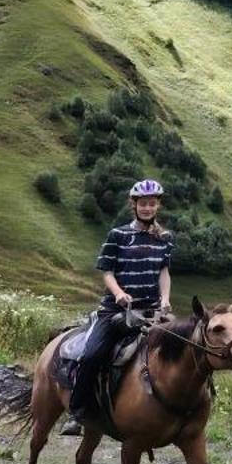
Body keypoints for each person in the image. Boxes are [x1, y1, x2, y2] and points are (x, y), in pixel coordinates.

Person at [68, 178, 174, 423]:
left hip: (151, 311)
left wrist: (166, 298)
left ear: (158, 206)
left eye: (152, 203)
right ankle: (77, 410)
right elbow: (107, 271)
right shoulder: (118, 235)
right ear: (134, 205)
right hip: (116, 311)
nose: (147, 208)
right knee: (92, 354)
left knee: (185, 347)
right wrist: (118, 293)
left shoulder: (165, 238)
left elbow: (164, 271)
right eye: (143, 204)